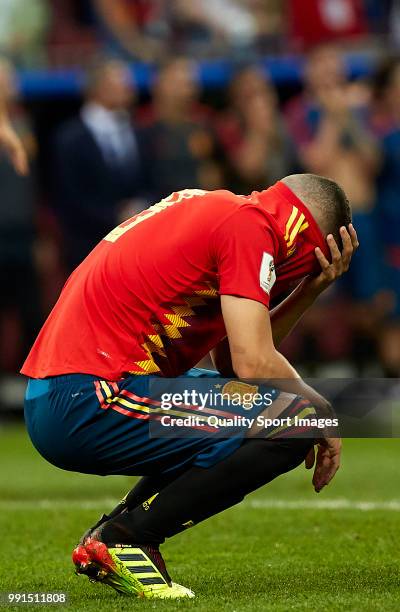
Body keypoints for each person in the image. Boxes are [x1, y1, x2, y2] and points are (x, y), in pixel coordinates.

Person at [21, 174, 358, 600]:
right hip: (90, 396)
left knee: (265, 407)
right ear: (314, 243)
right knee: (293, 421)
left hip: (66, 391)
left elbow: (235, 365)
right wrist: (320, 410)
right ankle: (126, 538)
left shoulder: (226, 212)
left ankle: (110, 536)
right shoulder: (252, 227)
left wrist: (310, 289)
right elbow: (254, 362)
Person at [54, 58, 146, 271]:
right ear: (97, 87)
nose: (129, 87)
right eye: (120, 80)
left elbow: (148, 179)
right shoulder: (69, 138)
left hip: (135, 246)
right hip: (87, 248)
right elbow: (68, 197)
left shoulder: (138, 130)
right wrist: (114, 216)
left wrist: (141, 209)